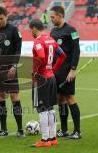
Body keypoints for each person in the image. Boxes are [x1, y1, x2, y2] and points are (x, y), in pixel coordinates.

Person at [0, 7, 24, 137]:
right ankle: (3, 129)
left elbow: (18, 50)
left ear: (6, 17)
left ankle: (20, 130)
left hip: (10, 69)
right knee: (0, 97)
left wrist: (14, 66)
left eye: (1, 18)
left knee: (14, 97)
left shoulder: (13, 30)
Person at [29, 19, 66, 147]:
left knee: (42, 109)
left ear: (34, 28)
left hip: (41, 79)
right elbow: (62, 55)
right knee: (50, 108)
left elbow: (41, 56)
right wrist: (53, 69)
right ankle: (53, 137)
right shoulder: (51, 40)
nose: (31, 33)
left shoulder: (38, 41)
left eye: (31, 30)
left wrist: (34, 71)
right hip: (51, 78)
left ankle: (45, 140)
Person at [50, 5, 81, 139]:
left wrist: (73, 70)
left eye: (53, 17)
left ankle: (77, 131)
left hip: (67, 70)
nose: (51, 19)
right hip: (55, 71)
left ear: (60, 15)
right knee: (59, 99)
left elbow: (76, 50)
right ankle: (63, 130)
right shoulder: (53, 32)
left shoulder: (71, 30)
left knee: (69, 98)